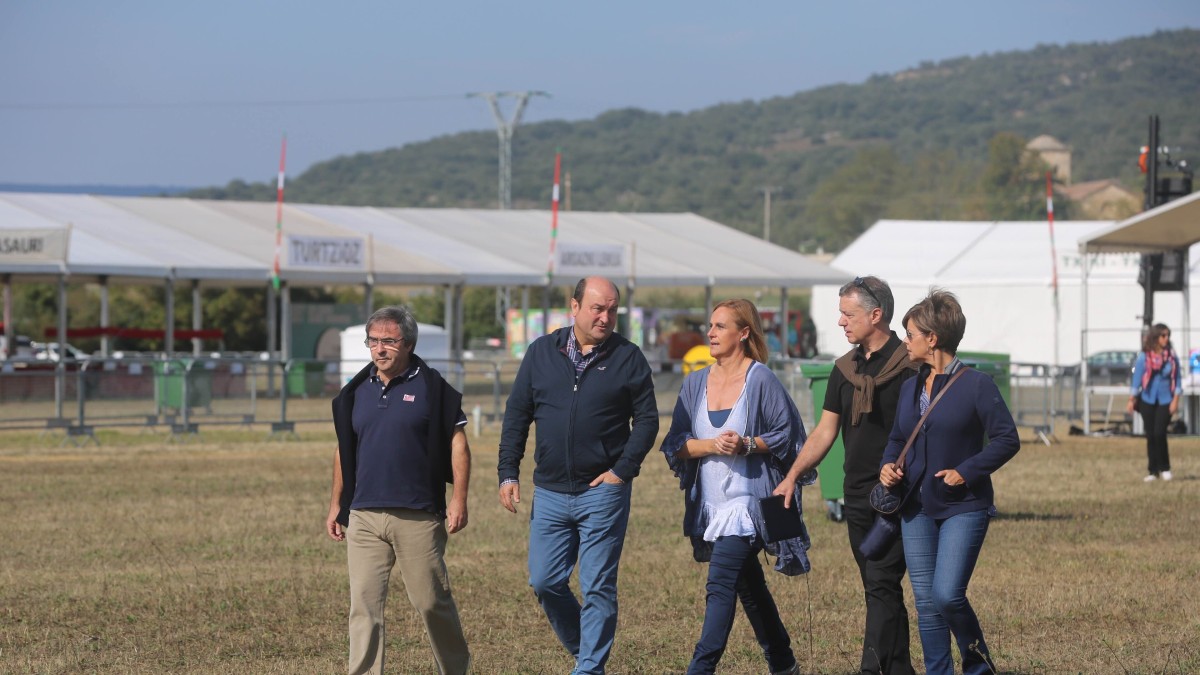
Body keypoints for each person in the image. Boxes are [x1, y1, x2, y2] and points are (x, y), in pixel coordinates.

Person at [498, 276, 659, 675]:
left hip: (602, 491)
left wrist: (622, 471)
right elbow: (517, 415)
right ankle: (585, 650)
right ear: (574, 307)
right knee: (544, 581)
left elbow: (647, 420)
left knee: (597, 586)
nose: (605, 317)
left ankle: (588, 668)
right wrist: (508, 472)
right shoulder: (541, 352)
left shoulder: (628, 357)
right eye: (597, 308)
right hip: (550, 492)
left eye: (612, 310)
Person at [772, 275, 918, 675]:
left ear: (876, 315)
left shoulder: (910, 366)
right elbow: (824, 431)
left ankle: (870, 669)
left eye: (847, 314)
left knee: (881, 582)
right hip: (857, 495)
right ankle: (899, 669)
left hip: (898, 497)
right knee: (878, 587)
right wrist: (793, 475)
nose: (840, 322)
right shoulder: (844, 369)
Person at [660, 298, 811, 675]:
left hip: (747, 506)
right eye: (710, 325)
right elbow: (676, 444)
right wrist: (713, 445)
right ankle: (784, 663)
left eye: (720, 326)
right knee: (749, 587)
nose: (710, 333)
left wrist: (747, 444)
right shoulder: (694, 383)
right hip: (711, 505)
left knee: (720, 584)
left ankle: (700, 669)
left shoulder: (760, 379)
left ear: (743, 333)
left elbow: (788, 434)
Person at [879, 289, 1020, 675]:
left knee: (946, 595)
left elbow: (1007, 439)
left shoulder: (977, 385)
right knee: (926, 604)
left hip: (964, 506)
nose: (904, 341)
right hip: (915, 508)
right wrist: (888, 464)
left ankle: (978, 667)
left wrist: (967, 471)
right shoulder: (910, 387)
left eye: (910, 334)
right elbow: (897, 438)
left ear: (932, 338)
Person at [326, 306, 472, 675]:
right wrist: (336, 504)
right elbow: (344, 449)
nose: (379, 349)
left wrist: (458, 499)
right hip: (364, 515)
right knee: (364, 607)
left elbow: (458, 444)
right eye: (373, 341)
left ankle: (455, 670)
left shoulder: (433, 388)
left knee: (431, 602)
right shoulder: (356, 391)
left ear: (408, 344)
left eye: (388, 341)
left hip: (418, 514)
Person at [1127, 323, 1181, 482]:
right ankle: (1153, 470)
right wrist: (1131, 399)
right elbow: (1137, 379)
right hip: (1147, 399)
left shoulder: (1172, 356)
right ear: (1155, 337)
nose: (1166, 339)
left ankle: (1165, 468)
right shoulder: (1144, 356)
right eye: (1163, 335)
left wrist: (1176, 400)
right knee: (1150, 435)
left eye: (1168, 335)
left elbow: (1177, 379)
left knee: (1159, 433)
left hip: (1166, 400)